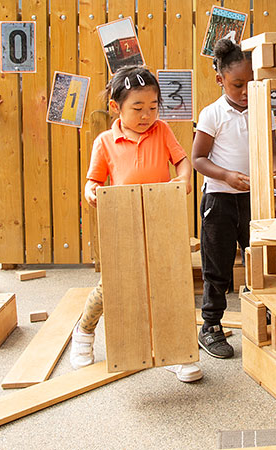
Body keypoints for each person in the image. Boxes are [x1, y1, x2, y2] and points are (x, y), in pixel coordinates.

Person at [70, 66, 201, 382]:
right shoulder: (105, 141)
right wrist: (91, 194)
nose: (147, 115)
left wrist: (183, 179)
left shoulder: (163, 132)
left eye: (153, 107)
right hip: (123, 221)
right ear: (116, 107)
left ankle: (176, 352)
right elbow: (93, 181)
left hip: (160, 218)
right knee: (113, 285)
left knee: (168, 284)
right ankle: (84, 332)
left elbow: (182, 161)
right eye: (138, 108)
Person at [193, 38, 276, 359]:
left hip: (254, 201)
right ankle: (211, 325)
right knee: (217, 265)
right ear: (220, 80)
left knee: (257, 257)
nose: (245, 91)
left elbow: (274, 150)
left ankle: (262, 311)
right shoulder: (212, 114)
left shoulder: (262, 111)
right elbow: (198, 159)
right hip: (219, 201)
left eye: (251, 83)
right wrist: (227, 176)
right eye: (237, 84)